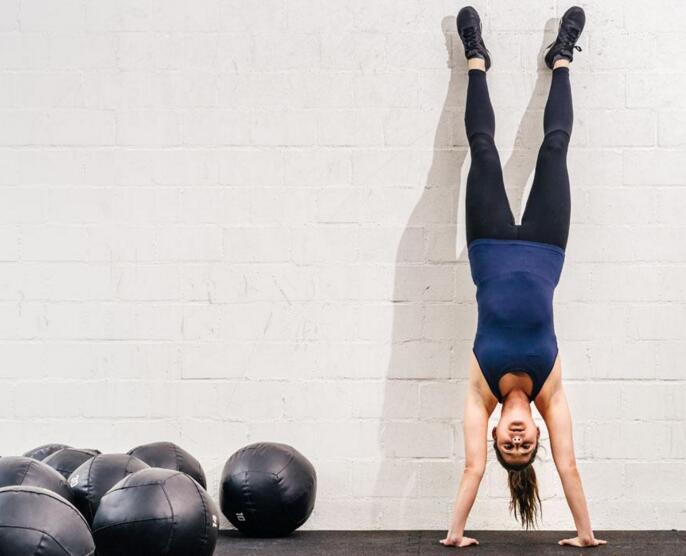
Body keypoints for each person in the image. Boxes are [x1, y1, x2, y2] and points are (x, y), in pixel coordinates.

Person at [439, 6, 607, 549]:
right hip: (545, 247)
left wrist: (455, 534)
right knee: (555, 148)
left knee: (482, 151)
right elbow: (570, 467)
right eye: (524, 445)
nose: (515, 439)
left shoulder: (479, 391)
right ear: (535, 432)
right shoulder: (551, 392)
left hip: (488, 246)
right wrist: (584, 534)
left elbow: (471, 469)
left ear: (495, 434)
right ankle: (561, 58)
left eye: (507, 446)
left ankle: (475, 58)